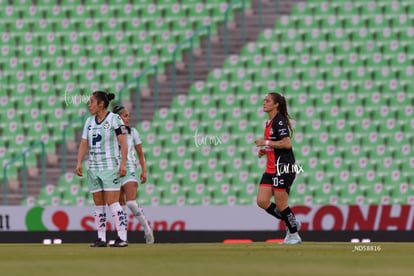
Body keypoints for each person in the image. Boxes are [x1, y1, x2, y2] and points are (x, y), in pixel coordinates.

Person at [76, 91, 129, 247]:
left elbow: (123, 144)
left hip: (110, 167)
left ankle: (122, 237)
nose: (89, 105)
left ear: (101, 104)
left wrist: (123, 164)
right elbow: (84, 143)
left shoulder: (114, 119)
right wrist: (79, 162)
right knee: (98, 204)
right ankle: (101, 238)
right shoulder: (89, 122)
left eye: (91, 102)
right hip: (93, 167)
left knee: (113, 202)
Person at [255, 92, 302, 244]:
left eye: (267, 101)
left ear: (276, 105)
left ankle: (294, 234)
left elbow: (287, 143)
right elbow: (276, 144)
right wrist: (266, 150)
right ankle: (292, 221)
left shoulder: (279, 122)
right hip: (270, 168)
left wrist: (266, 143)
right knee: (262, 201)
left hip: (283, 167)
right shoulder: (269, 122)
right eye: (264, 100)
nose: (264, 103)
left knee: (282, 204)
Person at [112, 105, 154, 244]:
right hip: (114, 171)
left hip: (129, 168)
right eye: (125, 115)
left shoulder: (133, 132)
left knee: (131, 202)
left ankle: (147, 230)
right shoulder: (110, 133)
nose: (128, 118)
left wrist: (144, 170)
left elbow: (140, 154)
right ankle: (123, 238)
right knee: (119, 206)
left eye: (128, 115)